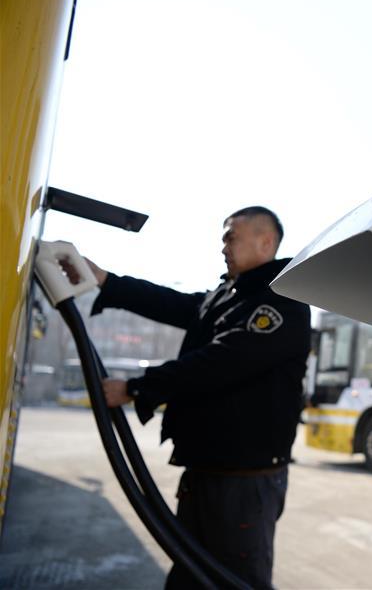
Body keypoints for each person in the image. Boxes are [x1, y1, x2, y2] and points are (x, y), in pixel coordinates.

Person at [87, 206, 310, 589]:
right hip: (207, 472)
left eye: (231, 236)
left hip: (243, 482)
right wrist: (108, 281)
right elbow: (173, 303)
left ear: (266, 241)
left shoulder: (282, 301)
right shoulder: (230, 295)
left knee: (235, 580)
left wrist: (136, 387)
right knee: (190, 576)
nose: (223, 246)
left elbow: (222, 360)